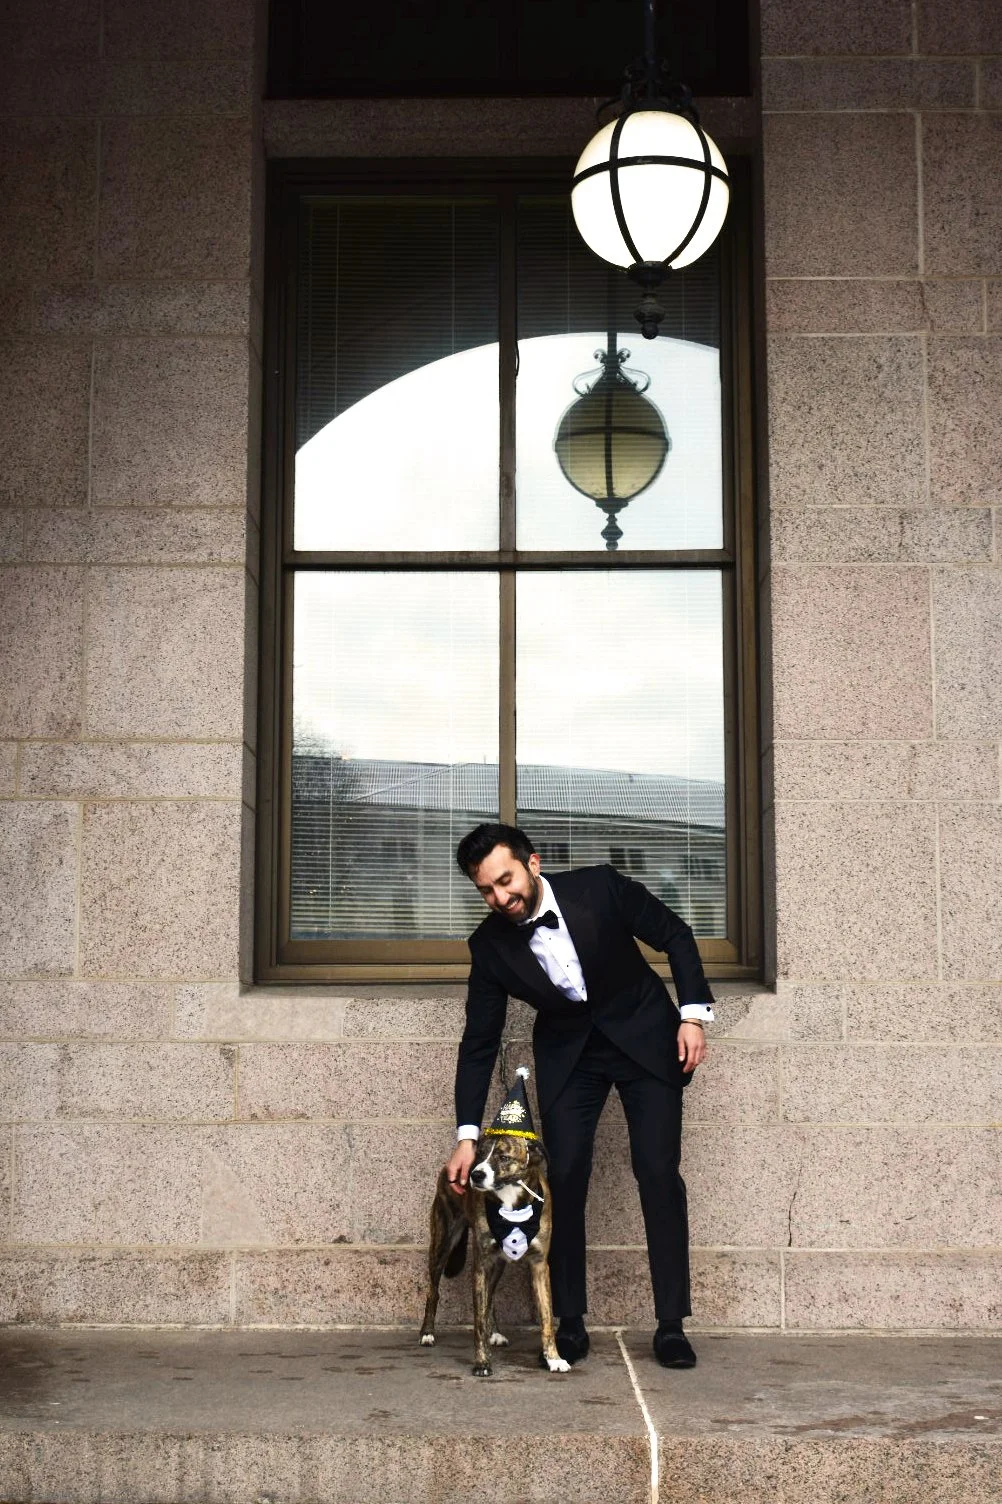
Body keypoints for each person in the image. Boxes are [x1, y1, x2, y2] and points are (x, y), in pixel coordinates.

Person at [444, 822, 714, 1369]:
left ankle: (670, 1325)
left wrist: (693, 1015)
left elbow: (677, 934)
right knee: (563, 1176)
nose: (500, 898)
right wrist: (466, 1136)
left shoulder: (600, 888)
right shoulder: (489, 946)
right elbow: (479, 1043)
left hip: (643, 1036)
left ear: (533, 864)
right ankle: (567, 1321)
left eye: (506, 880)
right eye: (486, 891)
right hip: (571, 1055)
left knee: (658, 1171)